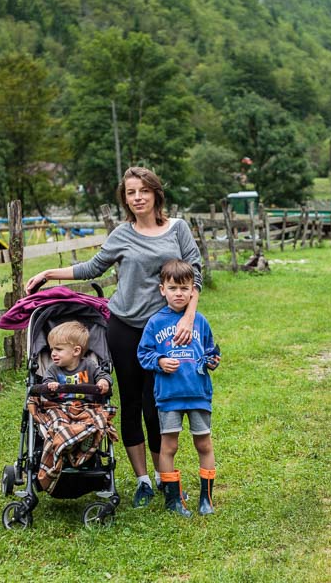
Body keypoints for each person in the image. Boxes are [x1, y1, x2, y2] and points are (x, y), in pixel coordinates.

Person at [25, 166, 203, 508]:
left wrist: (189, 317)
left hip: (164, 331)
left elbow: (196, 273)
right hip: (123, 326)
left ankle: (168, 478)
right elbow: (92, 268)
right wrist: (48, 273)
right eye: (130, 192)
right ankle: (143, 481)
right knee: (133, 404)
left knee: (159, 406)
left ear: (156, 194)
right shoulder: (122, 233)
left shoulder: (177, 230)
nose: (137, 197)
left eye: (143, 191)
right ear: (125, 199)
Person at [137, 259, 220, 517]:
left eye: (185, 288)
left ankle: (206, 499)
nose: (179, 293)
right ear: (162, 289)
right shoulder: (155, 323)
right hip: (169, 396)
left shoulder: (200, 321)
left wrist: (212, 359)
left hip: (197, 394)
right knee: (168, 446)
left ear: (192, 291)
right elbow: (143, 354)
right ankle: (172, 500)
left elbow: (211, 350)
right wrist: (160, 361)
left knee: (204, 444)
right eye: (173, 288)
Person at [43, 321, 111, 398]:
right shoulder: (52, 369)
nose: (53, 354)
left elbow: (104, 375)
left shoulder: (89, 365)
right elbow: (45, 387)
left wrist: (103, 380)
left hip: (87, 406)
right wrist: (50, 387)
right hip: (60, 406)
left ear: (76, 351)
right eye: (52, 349)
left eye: (58, 349)